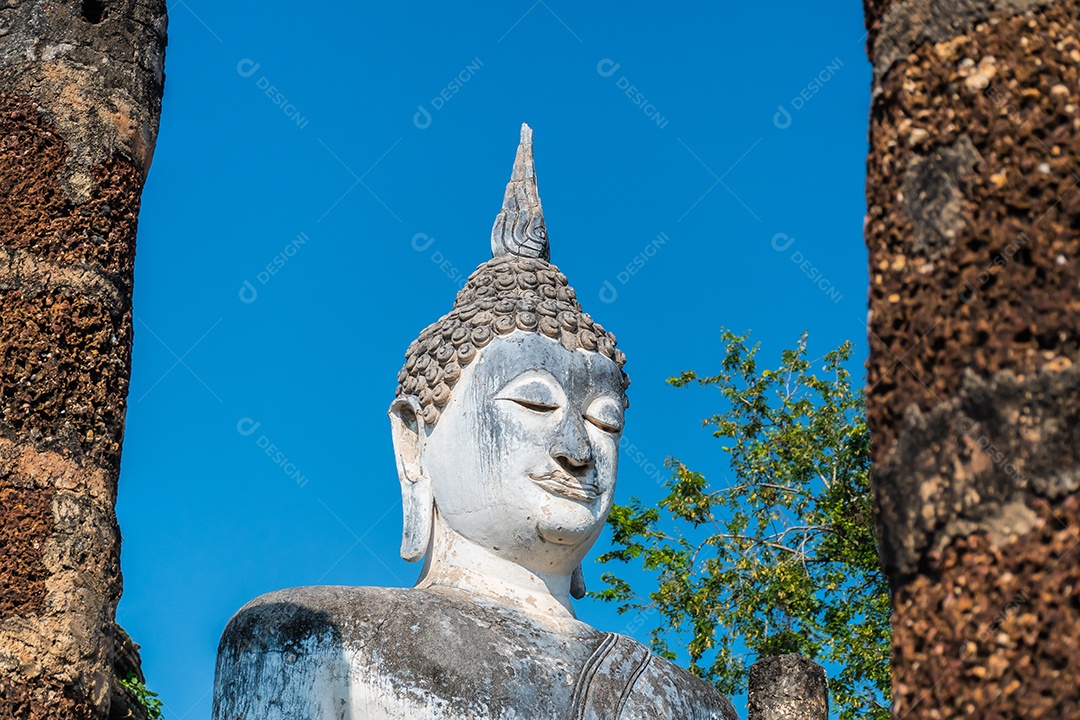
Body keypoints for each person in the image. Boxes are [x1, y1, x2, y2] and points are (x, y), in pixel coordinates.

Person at [212, 125, 738, 720]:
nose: (576, 449)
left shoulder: (685, 704)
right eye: (535, 404)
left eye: (603, 420)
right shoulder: (308, 641)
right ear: (414, 443)